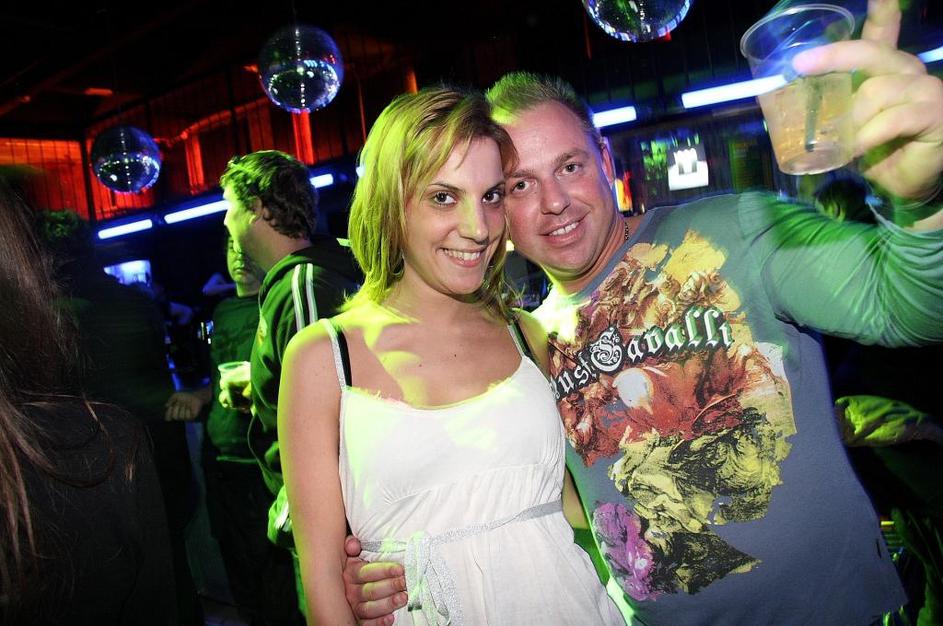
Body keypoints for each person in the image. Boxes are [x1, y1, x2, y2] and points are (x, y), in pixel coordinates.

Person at [342, 1, 943, 624]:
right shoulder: (524, 346)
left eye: (569, 166)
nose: (554, 202)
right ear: (497, 208)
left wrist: (922, 202)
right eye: (519, 185)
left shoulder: (736, 229)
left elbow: (909, 308)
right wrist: (395, 563)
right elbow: (520, 505)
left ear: (605, 160)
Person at [278, 87, 624, 625]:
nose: (478, 228)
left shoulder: (528, 334)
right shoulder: (323, 359)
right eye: (444, 197)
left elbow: (582, 502)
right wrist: (354, 585)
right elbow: (322, 585)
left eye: (491, 196)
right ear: (391, 203)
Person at [0, 178, 176, 625]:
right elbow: (157, 371)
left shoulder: (66, 319)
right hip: (132, 463)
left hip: (92, 470)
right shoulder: (131, 302)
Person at [220, 150, 362, 496]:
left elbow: (328, 424)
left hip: (316, 502)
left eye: (228, 206)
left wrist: (301, 510)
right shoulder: (297, 282)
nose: (225, 220)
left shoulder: (303, 288)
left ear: (255, 208)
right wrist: (262, 391)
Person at [166, 236, 287, 626]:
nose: (238, 256)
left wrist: (265, 392)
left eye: (245, 246)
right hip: (221, 459)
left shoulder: (277, 302)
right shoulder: (221, 310)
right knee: (239, 569)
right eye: (231, 248)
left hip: (262, 462)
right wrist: (200, 395)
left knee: (275, 575)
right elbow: (217, 374)